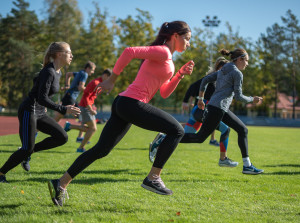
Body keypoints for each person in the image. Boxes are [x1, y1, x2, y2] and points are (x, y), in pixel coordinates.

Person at [47, 21, 194, 206]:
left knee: (101, 150)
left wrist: (179, 74)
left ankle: (60, 184)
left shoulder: (168, 59)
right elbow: (129, 51)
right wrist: (112, 80)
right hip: (131, 103)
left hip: (124, 104)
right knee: (177, 131)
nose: (188, 43)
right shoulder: (163, 51)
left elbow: (164, 92)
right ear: (175, 36)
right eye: (187, 39)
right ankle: (153, 177)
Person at [150, 48, 264, 175]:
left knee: (242, 129)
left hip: (218, 108)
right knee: (199, 138)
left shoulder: (223, 70)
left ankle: (247, 165)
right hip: (218, 109)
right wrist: (252, 99)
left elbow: (205, 80)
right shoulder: (237, 73)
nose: (247, 64)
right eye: (246, 61)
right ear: (240, 59)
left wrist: (200, 98)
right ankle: (164, 139)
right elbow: (238, 96)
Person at [0, 42, 81, 183]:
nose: (72, 55)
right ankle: (1, 173)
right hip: (29, 111)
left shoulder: (58, 72)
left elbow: (42, 91)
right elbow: (41, 98)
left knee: (62, 137)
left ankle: (28, 152)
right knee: (26, 148)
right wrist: (63, 108)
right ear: (59, 54)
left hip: (40, 112)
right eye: (69, 52)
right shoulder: (48, 71)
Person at [149, 57, 238, 168]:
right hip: (203, 111)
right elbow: (193, 87)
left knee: (184, 134)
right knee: (225, 129)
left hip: (200, 112)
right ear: (218, 68)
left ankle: (162, 139)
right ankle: (223, 159)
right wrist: (185, 101)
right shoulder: (211, 78)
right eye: (223, 68)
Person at [64, 69, 112, 153]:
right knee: (93, 129)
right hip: (85, 107)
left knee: (91, 129)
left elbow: (91, 97)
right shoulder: (95, 83)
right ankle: (80, 147)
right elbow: (86, 97)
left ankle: (70, 127)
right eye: (109, 78)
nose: (109, 80)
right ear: (105, 75)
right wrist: (90, 109)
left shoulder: (99, 84)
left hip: (87, 106)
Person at [54, 60, 96, 143]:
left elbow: (68, 74)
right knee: (82, 113)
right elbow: (81, 87)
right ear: (88, 68)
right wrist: (90, 90)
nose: (93, 72)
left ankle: (79, 136)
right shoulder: (85, 74)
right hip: (70, 97)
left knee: (81, 114)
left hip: (69, 96)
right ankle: (68, 127)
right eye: (92, 70)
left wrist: (67, 86)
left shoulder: (80, 73)